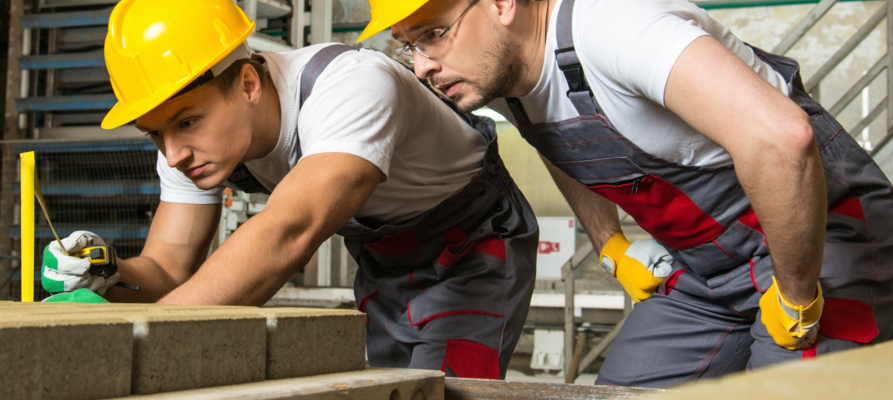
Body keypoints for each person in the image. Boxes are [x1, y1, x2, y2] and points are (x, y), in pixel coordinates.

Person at [362, 0, 893, 387]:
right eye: (409, 46)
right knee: (622, 388)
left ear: (502, 4)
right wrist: (610, 245)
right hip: (710, 273)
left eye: (434, 34)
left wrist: (799, 295)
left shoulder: (614, 25)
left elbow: (783, 140)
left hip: (819, 248)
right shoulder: (507, 79)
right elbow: (555, 141)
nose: (423, 66)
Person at [40, 0, 539, 379]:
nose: (172, 154)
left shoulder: (351, 85)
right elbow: (168, 268)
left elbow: (289, 230)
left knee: (440, 387)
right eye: (154, 133)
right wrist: (108, 274)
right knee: (392, 386)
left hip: (474, 244)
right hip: (386, 260)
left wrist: (128, 338)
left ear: (248, 85)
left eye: (187, 121)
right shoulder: (186, 146)